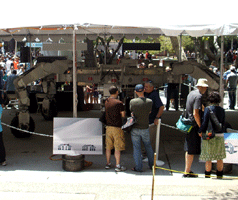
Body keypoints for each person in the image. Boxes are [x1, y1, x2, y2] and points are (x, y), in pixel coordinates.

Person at [183, 78, 208, 178]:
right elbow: (195, 113)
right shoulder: (198, 96)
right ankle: (187, 171)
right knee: (191, 149)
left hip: (189, 123)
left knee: (189, 148)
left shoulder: (192, 93)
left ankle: (187, 170)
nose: (206, 89)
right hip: (193, 125)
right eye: (205, 87)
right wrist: (200, 127)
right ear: (201, 87)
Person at [198, 91, 226, 179]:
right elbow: (223, 122)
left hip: (210, 134)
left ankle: (207, 175)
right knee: (219, 156)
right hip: (220, 134)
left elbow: (205, 122)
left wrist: (200, 131)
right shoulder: (222, 110)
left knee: (208, 157)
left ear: (210, 100)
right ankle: (219, 175)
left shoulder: (208, 109)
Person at [130, 84, 154, 172]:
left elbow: (132, 112)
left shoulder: (132, 102)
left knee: (136, 148)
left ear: (136, 92)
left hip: (135, 127)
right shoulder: (149, 101)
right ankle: (152, 165)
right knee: (148, 146)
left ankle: (138, 167)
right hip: (145, 127)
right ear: (144, 90)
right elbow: (150, 111)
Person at [105, 86, 126, 172]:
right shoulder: (119, 103)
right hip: (117, 127)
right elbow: (123, 115)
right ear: (117, 92)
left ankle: (108, 163)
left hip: (108, 127)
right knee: (117, 147)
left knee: (108, 147)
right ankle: (117, 165)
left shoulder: (106, 101)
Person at [142, 80, 164, 157]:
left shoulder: (154, 94)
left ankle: (150, 156)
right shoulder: (145, 94)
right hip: (145, 121)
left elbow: (161, 107)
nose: (145, 88)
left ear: (152, 87)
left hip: (151, 121)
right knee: (145, 138)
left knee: (150, 139)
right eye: (144, 87)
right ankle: (145, 152)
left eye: (147, 87)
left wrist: (157, 117)